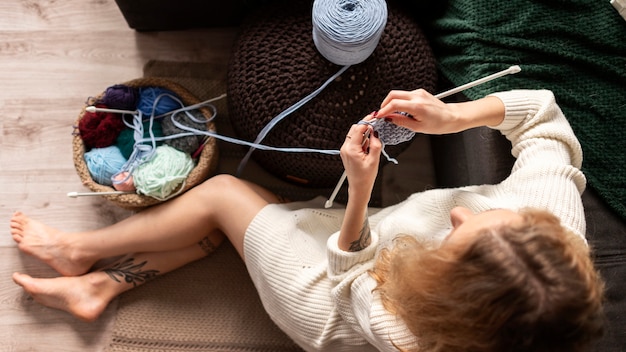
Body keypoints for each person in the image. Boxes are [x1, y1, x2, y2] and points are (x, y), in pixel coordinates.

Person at [10, 89, 604, 352]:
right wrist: (453, 118)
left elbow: (349, 274)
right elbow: (544, 116)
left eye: (455, 237)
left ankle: (78, 249)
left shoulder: (416, 332)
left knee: (221, 193)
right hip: (375, 251)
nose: (456, 210)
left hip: (326, 297)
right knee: (248, 223)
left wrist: (361, 192)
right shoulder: (552, 217)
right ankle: (100, 285)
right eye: (488, 218)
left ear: (445, 293)